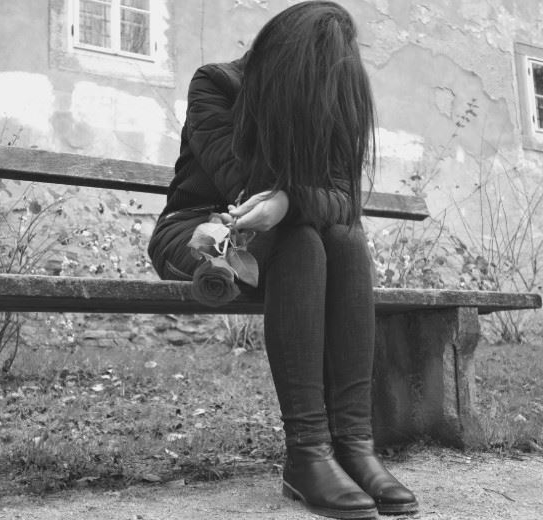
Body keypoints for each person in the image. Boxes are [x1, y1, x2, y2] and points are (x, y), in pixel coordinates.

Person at [147, 2, 418, 518]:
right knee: (303, 242)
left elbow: (344, 201)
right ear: (286, 66)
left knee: (344, 239)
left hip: (287, 228)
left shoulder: (329, 101)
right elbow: (241, 187)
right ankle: (307, 451)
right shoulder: (217, 85)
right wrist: (293, 197)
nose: (326, 98)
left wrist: (292, 200)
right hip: (202, 228)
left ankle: (355, 446)